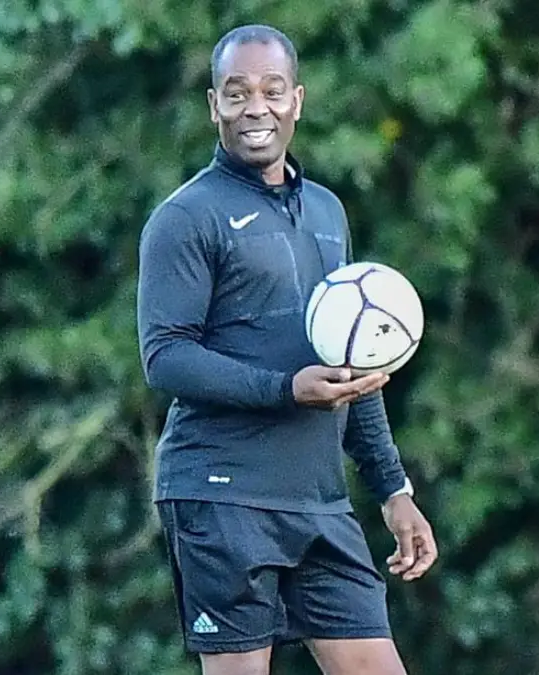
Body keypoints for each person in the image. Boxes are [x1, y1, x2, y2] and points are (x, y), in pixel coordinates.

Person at [136, 24, 437, 675]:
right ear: (213, 105)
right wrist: (284, 388)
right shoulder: (187, 217)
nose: (256, 108)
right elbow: (165, 356)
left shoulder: (327, 212)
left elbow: (356, 368)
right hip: (223, 494)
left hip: (319, 501)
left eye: (272, 91)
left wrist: (393, 489)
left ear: (297, 99)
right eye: (237, 93)